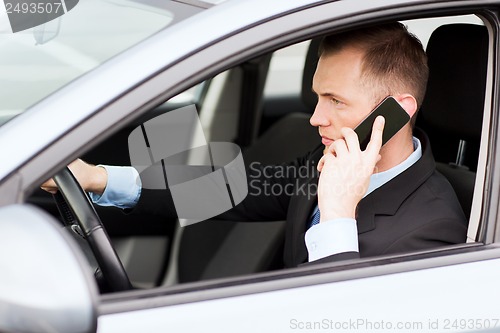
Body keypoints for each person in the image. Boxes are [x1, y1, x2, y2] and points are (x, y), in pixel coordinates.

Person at [42, 22, 467, 267]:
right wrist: (98, 179)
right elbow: (230, 188)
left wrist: (337, 215)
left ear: (397, 111)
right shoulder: (328, 162)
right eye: (318, 96)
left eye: (336, 101)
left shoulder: (431, 233)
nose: (316, 118)